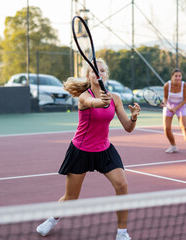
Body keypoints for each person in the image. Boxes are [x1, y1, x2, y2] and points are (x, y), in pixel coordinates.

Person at [36, 58, 140, 240]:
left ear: (106, 75)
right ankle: (52, 220)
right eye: (94, 71)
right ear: (88, 76)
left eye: (102, 71)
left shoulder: (115, 98)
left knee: (122, 185)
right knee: (71, 196)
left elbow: (128, 128)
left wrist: (133, 117)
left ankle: (122, 234)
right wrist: (101, 101)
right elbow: (93, 103)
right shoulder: (84, 96)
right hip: (81, 150)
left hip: (104, 150)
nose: (99, 74)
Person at [161, 68, 186, 157]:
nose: (178, 78)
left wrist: (176, 108)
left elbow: (185, 100)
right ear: (172, 77)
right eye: (176, 76)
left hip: (181, 106)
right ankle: (173, 146)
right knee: (167, 129)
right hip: (169, 107)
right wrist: (164, 103)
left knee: (184, 128)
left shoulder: (184, 85)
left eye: (180, 76)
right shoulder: (166, 85)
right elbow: (165, 98)